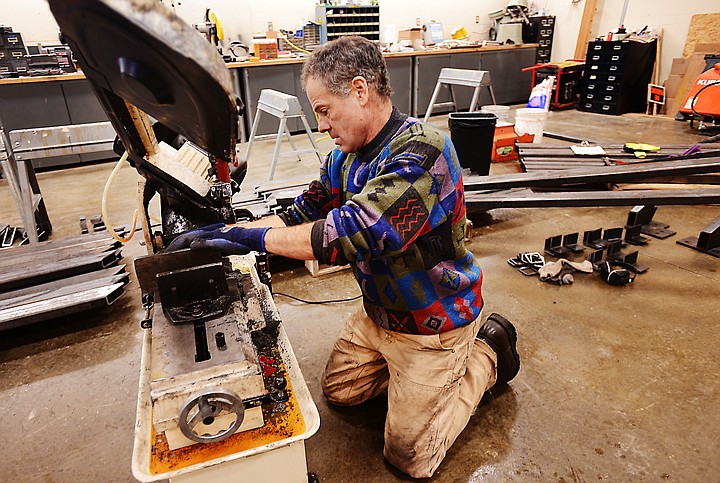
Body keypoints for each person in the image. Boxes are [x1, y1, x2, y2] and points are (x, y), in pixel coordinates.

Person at [169, 35, 520, 479]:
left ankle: (487, 353)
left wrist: (247, 237)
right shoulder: (343, 159)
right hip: (380, 315)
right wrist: (226, 231)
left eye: (323, 109)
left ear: (359, 90)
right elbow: (300, 215)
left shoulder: (423, 152)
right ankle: (419, 388)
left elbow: (354, 233)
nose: (321, 126)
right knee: (339, 393)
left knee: (409, 458)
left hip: (435, 322)